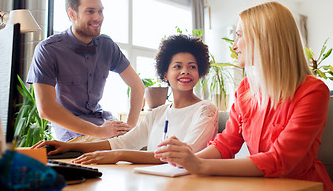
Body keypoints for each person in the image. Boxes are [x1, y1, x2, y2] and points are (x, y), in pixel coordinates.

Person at [154, 2, 333, 191]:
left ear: (264, 39)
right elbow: (226, 144)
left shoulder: (313, 91)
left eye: (239, 36)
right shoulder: (246, 89)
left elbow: (280, 160)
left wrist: (198, 165)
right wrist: (186, 160)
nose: (234, 46)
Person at [32, 34, 219, 164]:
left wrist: (118, 155)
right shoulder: (158, 113)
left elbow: (185, 155)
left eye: (192, 67)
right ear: (165, 74)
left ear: (199, 72)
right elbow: (122, 142)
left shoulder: (205, 110)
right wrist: (67, 146)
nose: (185, 71)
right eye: (177, 66)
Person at [26, 0, 145, 142]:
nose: (98, 17)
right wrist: (99, 132)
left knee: (150, 145)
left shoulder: (107, 45)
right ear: (72, 14)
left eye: (100, 11)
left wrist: (129, 128)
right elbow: (46, 109)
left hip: (103, 123)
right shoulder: (48, 50)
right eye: (90, 11)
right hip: (72, 131)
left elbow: (137, 86)